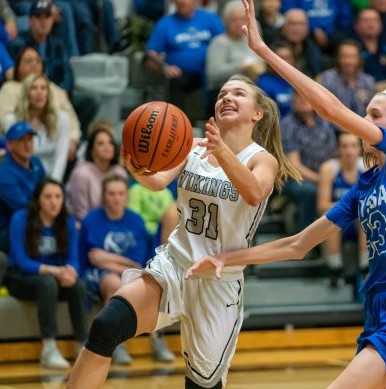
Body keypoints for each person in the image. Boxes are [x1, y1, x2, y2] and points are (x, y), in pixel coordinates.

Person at [188, 1, 386, 388]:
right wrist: (228, 257)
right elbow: (296, 245)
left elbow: (332, 109)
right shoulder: (366, 186)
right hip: (378, 311)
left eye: (374, 115)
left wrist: (262, 51)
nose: (364, 119)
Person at [66, 74, 300, 389]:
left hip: (218, 281)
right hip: (175, 266)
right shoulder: (192, 145)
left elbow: (255, 192)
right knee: (106, 326)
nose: (227, 97)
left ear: (257, 113)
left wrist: (222, 153)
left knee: (200, 385)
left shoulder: (261, 159)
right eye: (222, 93)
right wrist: (135, 164)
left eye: (238, 94)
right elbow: (156, 181)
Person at [80, 175, 175, 364]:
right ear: (104, 196)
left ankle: (157, 339)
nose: (116, 198)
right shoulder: (92, 220)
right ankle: (116, 345)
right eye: (111, 193)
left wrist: (109, 258)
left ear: (126, 196)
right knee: (114, 282)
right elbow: (92, 259)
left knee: (157, 284)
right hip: (95, 275)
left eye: (121, 193)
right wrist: (114, 263)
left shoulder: (136, 221)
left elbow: (136, 263)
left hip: (127, 270)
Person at [4, 178, 87, 369]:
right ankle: (49, 349)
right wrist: (56, 271)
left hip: (54, 278)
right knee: (47, 282)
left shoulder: (67, 221)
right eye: (48, 196)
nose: (53, 201)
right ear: (38, 200)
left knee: (79, 285)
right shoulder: (21, 218)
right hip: (21, 279)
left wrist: (71, 272)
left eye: (58, 196)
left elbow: (74, 258)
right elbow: (20, 261)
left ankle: (82, 345)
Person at [145, 0, 224, 122]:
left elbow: (224, 40)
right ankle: (179, 124)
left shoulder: (210, 19)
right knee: (176, 81)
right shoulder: (165, 23)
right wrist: (165, 67)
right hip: (180, 74)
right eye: (179, 2)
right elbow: (151, 52)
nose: (182, 3)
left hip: (209, 72)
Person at [0, 47, 81, 144]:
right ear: (18, 66)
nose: (34, 64)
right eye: (28, 61)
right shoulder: (9, 89)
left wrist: (72, 140)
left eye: (38, 61)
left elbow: (71, 119)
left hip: (56, 144)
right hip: (22, 144)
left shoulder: (55, 90)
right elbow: (4, 122)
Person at [281, 92, 337, 231]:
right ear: (293, 101)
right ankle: (304, 241)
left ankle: (342, 240)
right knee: (310, 191)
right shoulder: (287, 124)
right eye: (299, 97)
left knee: (347, 186)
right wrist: (322, 180)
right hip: (295, 178)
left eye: (307, 97)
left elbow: (334, 154)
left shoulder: (325, 122)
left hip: (325, 174)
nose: (303, 100)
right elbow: (294, 165)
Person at [317, 132, 364, 288]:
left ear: (360, 149)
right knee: (333, 216)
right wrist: (350, 208)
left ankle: (366, 268)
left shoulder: (366, 167)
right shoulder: (329, 168)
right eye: (344, 146)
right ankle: (334, 269)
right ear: (338, 149)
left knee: (367, 215)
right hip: (339, 221)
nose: (349, 151)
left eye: (353, 146)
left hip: (360, 221)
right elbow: (322, 204)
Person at [2, 74, 70, 181]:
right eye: (34, 88)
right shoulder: (11, 120)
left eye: (43, 88)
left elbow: (61, 157)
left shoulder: (62, 119)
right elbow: (12, 157)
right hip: (21, 177)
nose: (39, 92)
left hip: (51, 178)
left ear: (48, 93)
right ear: (26, 93)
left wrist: (53, 184)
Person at [66, 122, 127, 221]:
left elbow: (124, 207)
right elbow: (80, 213)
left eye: (110, 143)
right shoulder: (81, 173)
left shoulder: (119, 172)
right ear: (91, 150)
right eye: (100, 143)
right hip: (85, 226)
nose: (107, 146)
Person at [0, 122, 45, 253]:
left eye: (30, 139)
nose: (28, 145)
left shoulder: (36, 162)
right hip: (8, 229)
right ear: (9, 145)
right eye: (21, 140)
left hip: (36, 219)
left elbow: (47, 189)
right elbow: (24, 207)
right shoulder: (4, 173)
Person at [206, 1, 263, 98]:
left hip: (252, 90)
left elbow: (261, 61)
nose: (239, 23)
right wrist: (241, 67)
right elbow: (213, 75)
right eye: (234, 20)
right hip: (224, 93)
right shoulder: (219, 42)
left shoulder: (251, 38)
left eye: (242, 19)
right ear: (226, 22)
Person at [318, 39, 375, 117]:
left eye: (353, 57)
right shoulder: (327, 79)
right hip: (333, 127)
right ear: (338, 58)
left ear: (359, 59)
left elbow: (371, 112)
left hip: (362, 127)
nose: (348, 61)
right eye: (344, 56)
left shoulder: (368, 81)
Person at [350, 8, 386, 84]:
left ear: (381, 25)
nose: (371, 24)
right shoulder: (351, 50)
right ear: (356, 25)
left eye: (375, 20)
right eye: (366, 21)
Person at [280, 8, 324, 77]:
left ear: (308, 27)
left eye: (301, 24)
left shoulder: (313, 48)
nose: (297, 28)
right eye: (292, 24)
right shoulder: (272, 46)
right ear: (284, 26)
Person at [256, 41, 294, 117]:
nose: (284, 62)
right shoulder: (263, 83)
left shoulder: (299, 80)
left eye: (287, 58)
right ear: (270, 61)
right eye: (280, 58)